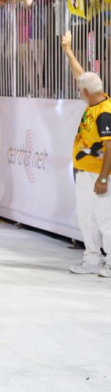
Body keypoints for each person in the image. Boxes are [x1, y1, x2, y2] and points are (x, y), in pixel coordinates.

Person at [60, 32, 111, 277]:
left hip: (98, 176)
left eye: (80, 89)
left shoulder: (104, 113)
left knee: (105, 220)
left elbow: (110, 147)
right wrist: (68, 50)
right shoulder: (93, 101)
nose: (78, 90)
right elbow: (81, 75)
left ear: (87, 93)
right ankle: (92, 259)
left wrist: (103, 178)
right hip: (85, 173)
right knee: (86, 219)